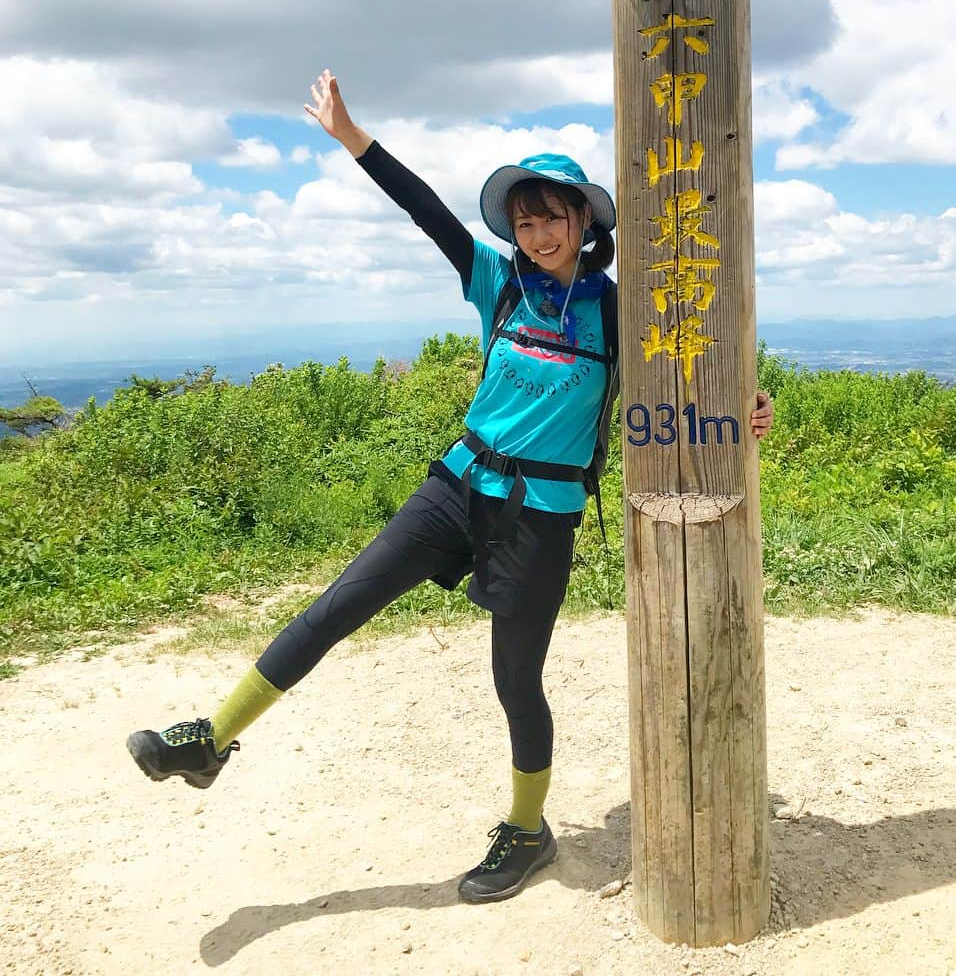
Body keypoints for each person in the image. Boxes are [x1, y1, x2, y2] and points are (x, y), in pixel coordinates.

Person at [127, 70, 775, 903]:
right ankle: (209, 738)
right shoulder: (498, 282)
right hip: (457, 482)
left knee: (516, 680)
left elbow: (693, 361)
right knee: (335, 607)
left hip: (542, 511)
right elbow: (424, 210)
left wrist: (745, 402)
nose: (537, 232)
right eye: (524, 219)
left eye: (551, 216)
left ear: (585, 220)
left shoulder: (620, 312)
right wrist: (354, 139)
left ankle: (529, 829)